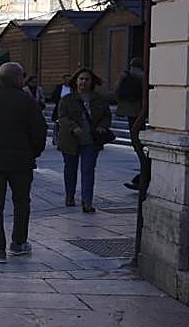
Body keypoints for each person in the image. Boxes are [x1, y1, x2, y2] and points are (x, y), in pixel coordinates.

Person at [0, 62, 48, 263]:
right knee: (21, 202)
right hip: (21, 162)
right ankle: (18, 243)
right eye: (22, 76)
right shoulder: (27, 102)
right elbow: (39, 130)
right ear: (16, 78)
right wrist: (34, 152)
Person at [57, 68, 112, 214]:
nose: (83, 82)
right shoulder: (67, 99)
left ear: (92, 82)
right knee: (70, 170)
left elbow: (107, 116)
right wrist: (73, 126)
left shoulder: (99, 99)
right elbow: (61, 117)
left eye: (87, 79)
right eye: (81, 79)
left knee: (88, 171)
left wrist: (102, 126)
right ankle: (70, 195)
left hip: (91, 141)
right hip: (70, 140)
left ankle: (87, 202)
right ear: (75, 81)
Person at [115, 57, 146, 190]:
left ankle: (143, 178)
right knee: (139, 145)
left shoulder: (126, 75)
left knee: (138, 145)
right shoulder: (144, 76)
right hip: (139, 112)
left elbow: (117, 91)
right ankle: (142, 177)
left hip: (132, 112)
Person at [51, 74, 73, 146]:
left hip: (70, 110)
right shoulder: (59, 87)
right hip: (59, 108)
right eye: (66, 79)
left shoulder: (73, 88)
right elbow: (53, 97)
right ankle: (56, 139)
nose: (67, 81)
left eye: (69, 79)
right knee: (57, 125)